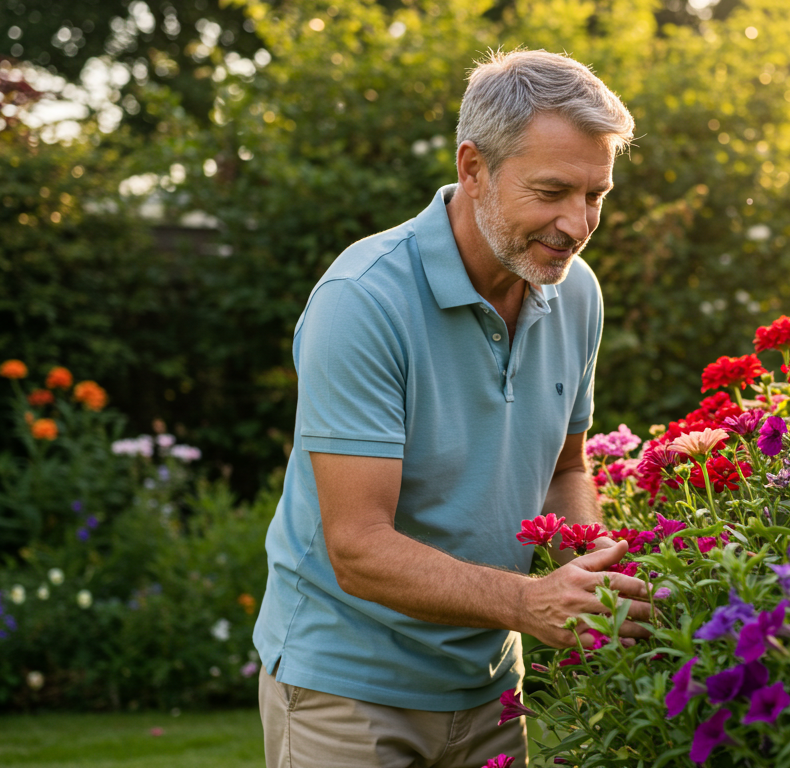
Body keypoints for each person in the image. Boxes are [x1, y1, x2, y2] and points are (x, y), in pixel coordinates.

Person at [253, 49, 651, 768]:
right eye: (553, 190)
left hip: (492, 687)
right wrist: (529, 605)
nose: (576, 223)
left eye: (596, 195)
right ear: (474, 168)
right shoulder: (363, 301)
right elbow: (357, 548)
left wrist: (595, 576)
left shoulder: (575, 290)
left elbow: (566, 466)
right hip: (349, 692)